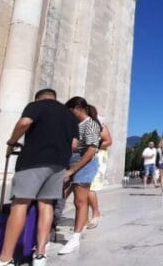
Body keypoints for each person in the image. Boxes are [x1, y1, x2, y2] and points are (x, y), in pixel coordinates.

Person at [0, 89, 78, 266]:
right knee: (47, 205)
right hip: (58, 164)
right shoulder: (69, 115)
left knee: (21, 203)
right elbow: (74, 145)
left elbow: (24, 123)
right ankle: (40, 255)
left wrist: (11, 142)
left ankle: (5, 258)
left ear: (38, 98)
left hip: (33, 161)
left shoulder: (37, 105)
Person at [58, 97, 102, 255]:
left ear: (77, 108)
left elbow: (91, 150)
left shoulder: (91, 124)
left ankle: (75, 238)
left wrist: (72, 170)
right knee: (60, 196)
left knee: (80, 200)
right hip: (72, 161)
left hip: (85, 163)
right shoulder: (76, 124)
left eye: (69, 111)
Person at [86, 106, 112, 230]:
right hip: (85, 157)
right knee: (82, 188)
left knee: (90, 187)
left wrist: (93, 145)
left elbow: (108, 141)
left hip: (97, 157)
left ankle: (96, 214)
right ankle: (82, 219)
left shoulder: (99, 125)